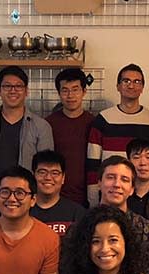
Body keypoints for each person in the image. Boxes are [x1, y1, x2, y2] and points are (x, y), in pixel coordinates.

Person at [86, 64, 149, 206]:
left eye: (137, 82)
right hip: (110, 195)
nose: (131, 86)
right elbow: (92, 165)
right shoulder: (103, 120)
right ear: (118, 86)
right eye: (126, 81)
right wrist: (93, 200)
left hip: (143, 198)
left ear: (142, 88)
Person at [0, 65, 54, 203]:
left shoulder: (41, 126)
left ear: (26, 91)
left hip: (23, 200)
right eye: (7, 86)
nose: (13, 91)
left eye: (19, 86)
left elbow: (45, 170)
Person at [98, 156, 149, 274]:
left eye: (124, 179)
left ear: (132, 189)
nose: (117, 184)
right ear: (99, 183)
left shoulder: (146, 230)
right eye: (110, 177)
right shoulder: (81, 226)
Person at [46, 68, 94, 205]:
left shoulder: (94, 123)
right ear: (59, 93)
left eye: (75, 89)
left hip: (87, 196)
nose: (70, 95)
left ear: (84, 92)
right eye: (65, 90)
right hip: (55, 195)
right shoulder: (48, 124)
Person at [30, 150, 86, 238]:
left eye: (55, 173)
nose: (48, 177)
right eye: (42, 172)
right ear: (33, 176)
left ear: (63, 178)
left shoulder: (77, 213)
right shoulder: (23, 210)